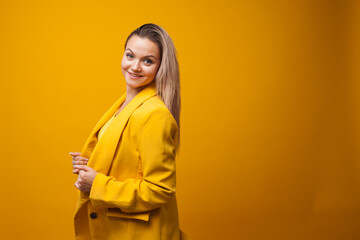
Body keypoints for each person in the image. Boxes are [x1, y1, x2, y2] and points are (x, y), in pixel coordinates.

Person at [69, 23, 189, 240]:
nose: (135, 67)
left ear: (160, 66)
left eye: (147, 61)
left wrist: (96, 183)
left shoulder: (154, 114)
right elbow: (127, 163)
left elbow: (160, 190)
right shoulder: (124, 104)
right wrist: (91, 165)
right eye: (130, 55)